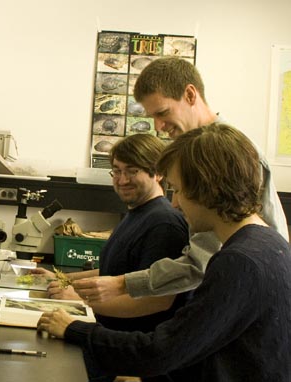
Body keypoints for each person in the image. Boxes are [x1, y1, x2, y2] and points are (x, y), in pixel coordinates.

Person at [37, 123, 291, 381]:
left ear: (208, 188)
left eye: (179, 190)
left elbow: (161, 351)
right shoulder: (270, 243)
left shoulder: (239, 261)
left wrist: (75, 329)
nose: (176, 203)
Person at [72, 57, 289, 303]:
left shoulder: (226, 152)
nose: (159, 126)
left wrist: (123, 284)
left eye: (163, 113)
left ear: (189, 94)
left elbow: (201, 263)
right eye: (152, 117)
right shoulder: (195, 150)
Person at [34, 133, 190, 381]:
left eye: (132, 171)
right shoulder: (136, 213)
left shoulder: (164, 224)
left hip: (128, 360)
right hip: (107, 345)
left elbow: (156, 300)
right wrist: (65, 279)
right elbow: (116, 272)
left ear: (158, 172)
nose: (122, 180)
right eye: (116, 171)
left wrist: (81, 301)